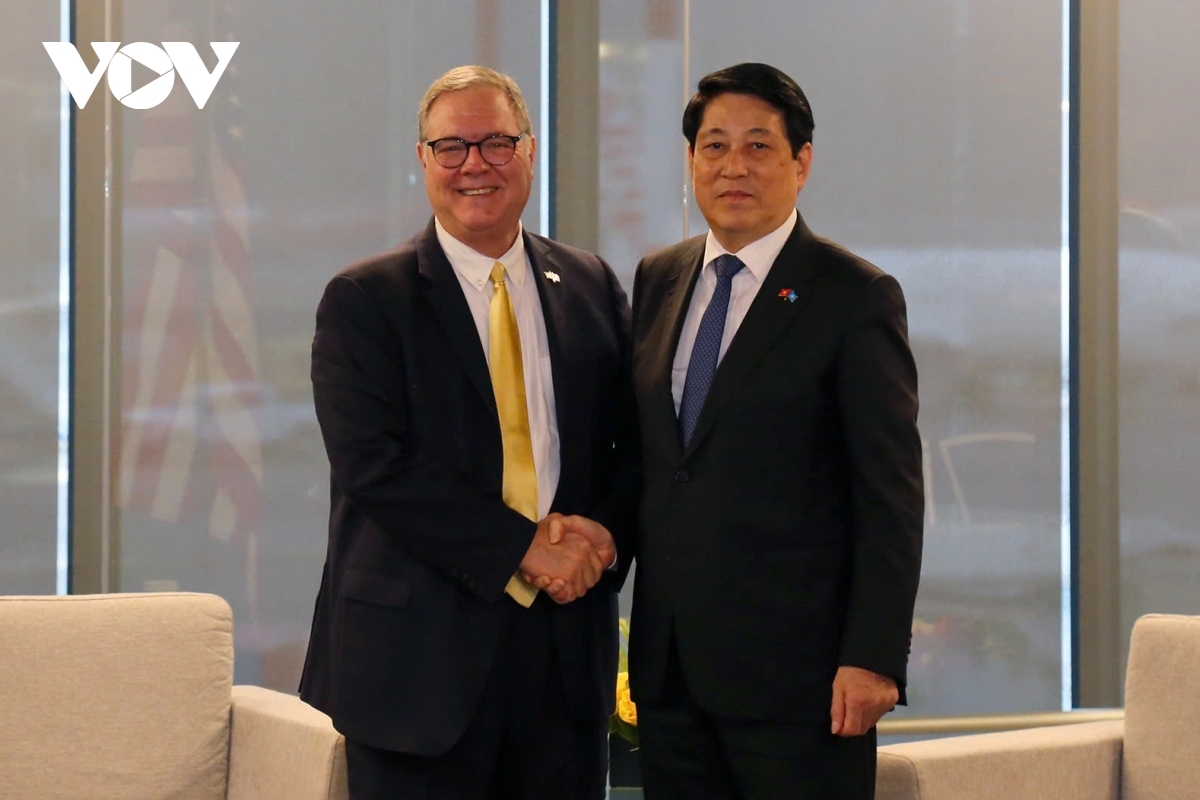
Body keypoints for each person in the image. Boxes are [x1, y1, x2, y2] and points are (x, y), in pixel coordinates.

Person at [298, 65, 637, 800]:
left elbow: (631, 445)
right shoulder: (365, 301)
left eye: (495, 143)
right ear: (422, 159)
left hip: (563, 661)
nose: (475, 165)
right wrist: (523, 549)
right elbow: (374, 468)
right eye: (451, 147)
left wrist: (604, 536)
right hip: (415, 672)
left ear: (530, 152)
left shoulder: (590, 286)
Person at [627, 62, 925, 799]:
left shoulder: (853, 296)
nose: (734, 166)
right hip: (671, 681)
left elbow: (890, 496)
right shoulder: (658, 279)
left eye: (758, 147)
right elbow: (658, 462)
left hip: (802, 682)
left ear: (802, 163)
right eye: (714, 146)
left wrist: (874, 657)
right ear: (692, 162)